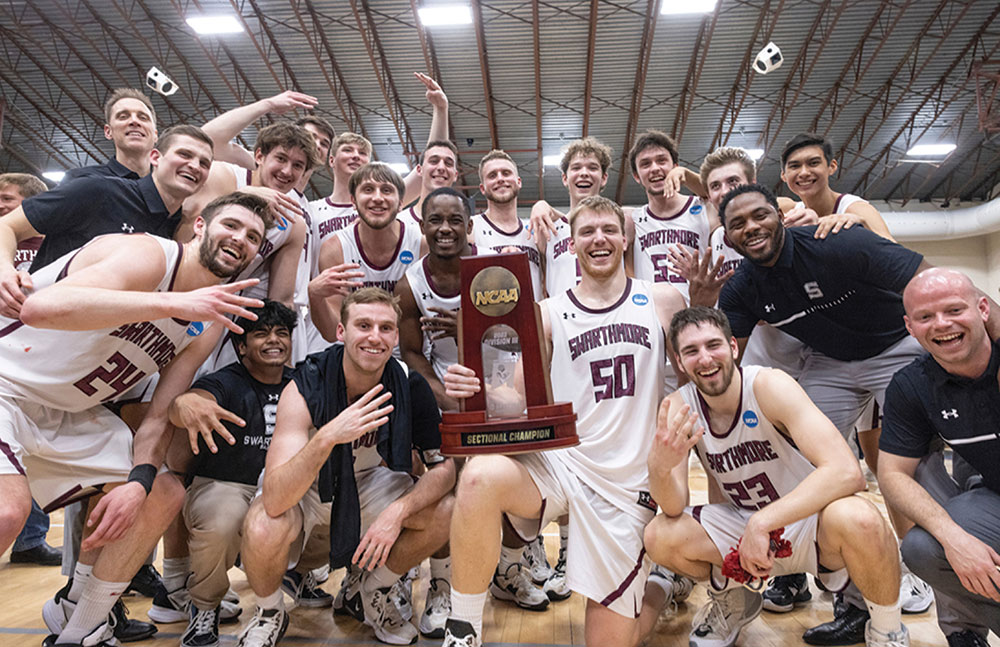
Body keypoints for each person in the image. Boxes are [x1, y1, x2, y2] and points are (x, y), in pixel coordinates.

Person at [716, 182, 996, 643]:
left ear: (781, 215)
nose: (752, 227)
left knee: (916, 473)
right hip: (830, 362)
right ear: (727, 237)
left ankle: (960, 621)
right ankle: (850, 603)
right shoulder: (742, 288)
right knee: (804, 464)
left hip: (896, 347)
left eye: (760, 215)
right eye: (738, 223)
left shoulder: (840, 242)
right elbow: (723, 361)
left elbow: (933, 284)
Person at [0, 191, 270, 647]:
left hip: (68, 411)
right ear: (201, 226)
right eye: (231, 226)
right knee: (8, 511)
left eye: (253, 237)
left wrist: (138, 481)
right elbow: (40, 309)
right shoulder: (146, 254)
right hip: (8, 385)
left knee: (162, 491)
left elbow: (160, 413)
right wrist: (173, 306)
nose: (240, 239)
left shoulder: (211, 317)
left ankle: (80, 624)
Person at [440, 195, 687, 647]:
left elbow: (696, 376)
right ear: (571, 246)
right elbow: (507, 395)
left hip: (628, 482)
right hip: (563, 466)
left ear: (626, 237)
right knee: (478, 479)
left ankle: (659, 587)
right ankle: (463, 629)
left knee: (612, 642)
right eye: (587, 232)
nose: (599, 239)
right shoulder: (547, 312)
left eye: (609, 230)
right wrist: (471, 385)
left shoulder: (662, 299)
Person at [644, 305, 909, 647]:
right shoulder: (678, 406)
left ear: (733, 347)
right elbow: (674, 505)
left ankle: (887, 631)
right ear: (679, 363)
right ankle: (735, 599)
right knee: (659, 535)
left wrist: (762, 523)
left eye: (714, 345)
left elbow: (846, 471)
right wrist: (661, 467)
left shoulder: (769, 385)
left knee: (862, 518)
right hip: (741, 525)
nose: (706, 359)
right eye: (691, 351)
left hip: (805, 522)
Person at [237, 288, 455, 647]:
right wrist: (327, 438)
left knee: (446, 508)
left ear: (396, 337)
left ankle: (374, 588)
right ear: (341, 332)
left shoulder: (409, 383)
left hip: (369, 480)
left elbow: (443, 470)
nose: (375, 337)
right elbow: (275, 497)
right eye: (364, 325)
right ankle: (269, 612)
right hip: (307, 485)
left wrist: (398, 513)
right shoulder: (307, 383)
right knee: (263, 523)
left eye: (386, 328)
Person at [879, 268, 1000, 646]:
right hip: (993, 498)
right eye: (926, 317)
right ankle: (966, 631)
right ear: (910, 327)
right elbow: (892, 474)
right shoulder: (912, 385)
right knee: (923, 547)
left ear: (983, 308)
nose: (942, 325)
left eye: (953, 310)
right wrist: (954, 539)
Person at [168, 300, 298, 647]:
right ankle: (204, 606)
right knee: (222, 521)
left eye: (281, 333)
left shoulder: (302, 383)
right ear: (241, 347)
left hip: (283, 488)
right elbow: (187, 404)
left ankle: (306, 579)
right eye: (261, 334)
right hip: (227, 484)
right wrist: (185, 403)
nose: (274, 340)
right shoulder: (224, 382)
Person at [0, 125, 215, 318]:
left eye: (204, 163)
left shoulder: (177, 233)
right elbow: (7, 225)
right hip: (24, 326)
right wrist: (4, 272)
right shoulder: (98, 191)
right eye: (184, 154)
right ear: (156, 158)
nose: (195, 166)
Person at [0, 172, 62, 567]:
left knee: (32, 458)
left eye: (7, 199)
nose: (0, 206)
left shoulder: (54, 243)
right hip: (7, 359)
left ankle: (29, 538)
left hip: (42, 361)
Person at [310, 163, 426, 340]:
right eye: (368, 189)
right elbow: (333, 332)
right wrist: (314, 296)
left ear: (401, 202)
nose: (378, 198)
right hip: (358, 351)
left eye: (387, 190)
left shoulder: (421, 244)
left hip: (408, 352)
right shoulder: (335, 249)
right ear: (353, 201)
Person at [625, 130, 710, 305]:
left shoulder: (702, 208)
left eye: (662, 160)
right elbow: (584, 213)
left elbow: (722, 193)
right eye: (645, 164)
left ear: (675, 166)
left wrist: (686, 175)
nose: (655, 168)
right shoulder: (632, 218)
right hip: (654, 319)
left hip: (699, 312)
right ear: (636, 176)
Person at [471, 150, 543, 300]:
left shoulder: (536, 230)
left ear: (519, 182)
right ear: (483, 188)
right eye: (492, 175)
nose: (500, 179)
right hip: (488, 320)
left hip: (532, 320)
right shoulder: (470, 228)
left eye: (506, 173)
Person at [64, 88, 158, 181]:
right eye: (123, 117)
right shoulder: (81, 179)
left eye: (143, 117)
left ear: (155, 135)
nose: (134, 121)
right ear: (108, 132)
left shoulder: (168, 185)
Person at [400, 140, 460, 226]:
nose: (441, 167)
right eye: (434, 161)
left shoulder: (466, 227)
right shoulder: (399, 224)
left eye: (448, 163)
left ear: (455, 175)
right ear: (419, 170)